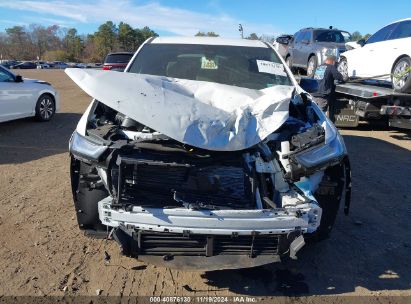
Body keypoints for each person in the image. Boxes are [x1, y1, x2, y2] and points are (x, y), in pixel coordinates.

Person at [312, 50, 344, 122]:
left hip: (314, 94)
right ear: (332, 61)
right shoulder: (331, 67)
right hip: (322, 96)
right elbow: (339, 77)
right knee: (320, 116)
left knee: (314, 114)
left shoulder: (319, 67)